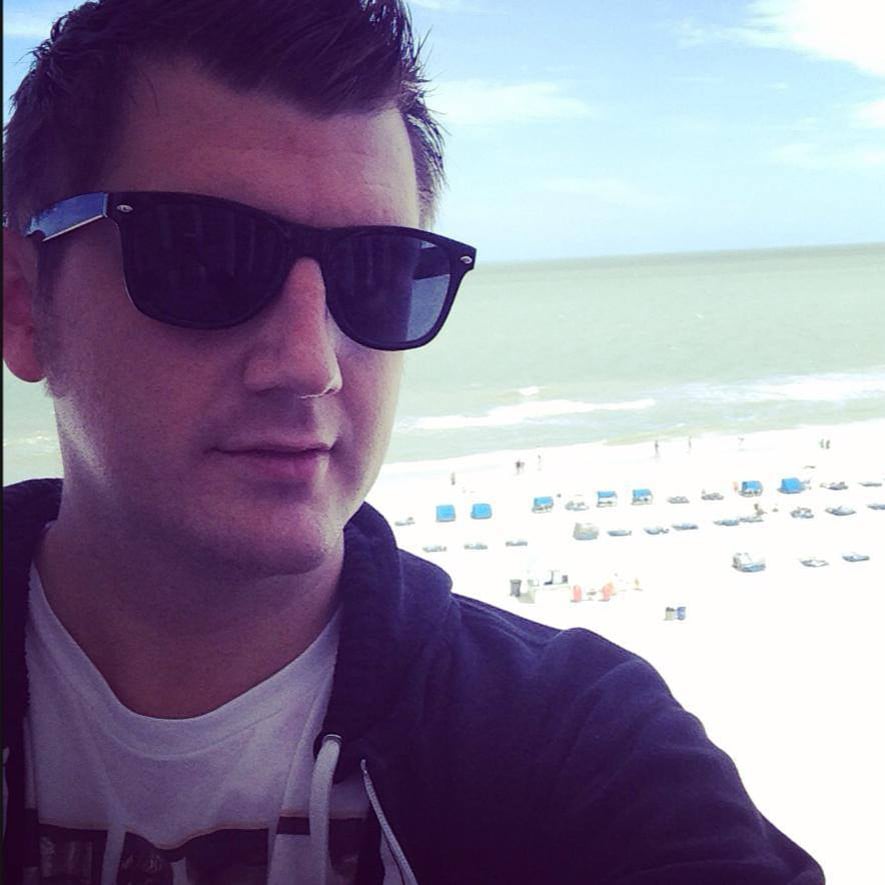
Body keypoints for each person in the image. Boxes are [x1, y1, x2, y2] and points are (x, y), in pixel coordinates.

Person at [2, 1, 823, 883]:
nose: (309, 364)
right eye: (202, 257)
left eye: (379, 272)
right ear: (23, 306)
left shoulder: (577, 735)